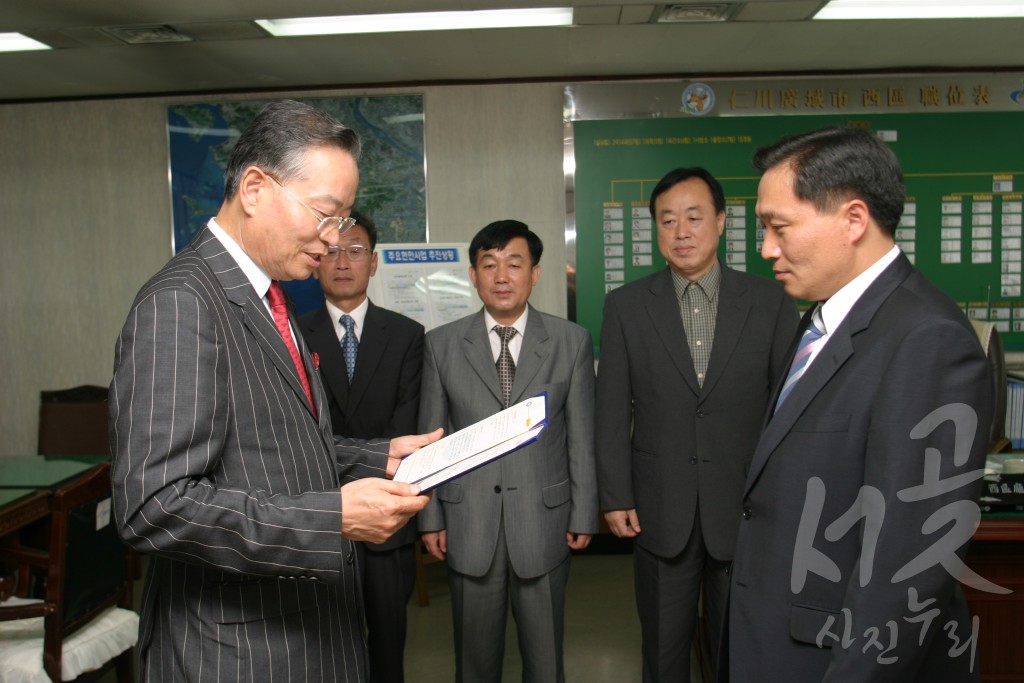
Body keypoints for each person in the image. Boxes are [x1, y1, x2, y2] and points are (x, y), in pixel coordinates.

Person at [109, 99, 440, 683]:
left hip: (308, 629)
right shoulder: (182, 303)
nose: (333, 239)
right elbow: (154, 507)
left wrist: (378, 456)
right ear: (256, 188)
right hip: (241, 650)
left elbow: (267, 444)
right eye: (325, 214)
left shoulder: (270, 295)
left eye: (343, 222)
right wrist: (331, 518)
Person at [720, 126, 994, 682]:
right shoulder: (824, 317)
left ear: (852, 219)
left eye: (779, 227)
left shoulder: (927, 339)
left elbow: (907, 565)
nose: (766, 248)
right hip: (780, 640)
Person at [596, 167, 799, 682]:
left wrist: (784, 501)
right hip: (660, 509)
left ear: (722, 221)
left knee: (741, 652)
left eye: (693, 217)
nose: (681, 231)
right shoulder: (626, 307)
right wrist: (616, 495)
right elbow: (613, 409)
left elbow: (789, 411)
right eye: (667, 220)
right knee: (664, 654)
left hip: (747, 511)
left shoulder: (771, 301)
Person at [417, 219, 598, 683]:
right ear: (473, 275)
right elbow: (431, 438)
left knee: (545, 662)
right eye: (489, 265)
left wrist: (583, 513)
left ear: (534, 273)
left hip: (544, 520)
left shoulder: (569, 342)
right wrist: (431, 517)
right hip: (467, 522)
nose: (502, 276)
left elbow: (580, 434)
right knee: (474, 663)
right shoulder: (441, 345)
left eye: (514, 264)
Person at [300, 209, 425, 683]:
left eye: (355, 251)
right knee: (323, 644)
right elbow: (298, 429)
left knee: (389, 643)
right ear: (316, 262)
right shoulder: (290, 331)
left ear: (374, 263)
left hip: (389, 514)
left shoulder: (408, 336)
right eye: (330, 251)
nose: (342, 262)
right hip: (320, 510)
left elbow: (406, 426)